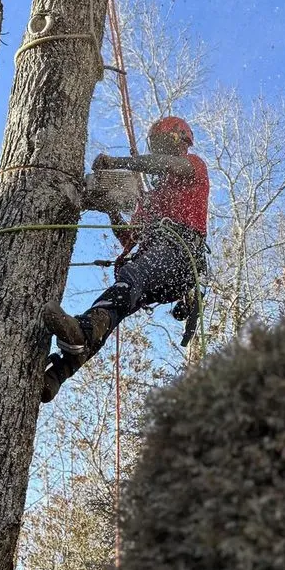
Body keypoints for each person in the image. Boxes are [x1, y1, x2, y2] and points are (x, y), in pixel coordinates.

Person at [41, 115, 209, 402]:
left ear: (178, 142)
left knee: (132, 278)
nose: (159, 153)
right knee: (118, 302)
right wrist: (111, 211)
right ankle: (59, 372)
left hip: (180, 255)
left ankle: (80, 336)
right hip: (155, 266)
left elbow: (167, 165)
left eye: (162, 146)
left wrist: (118, 162)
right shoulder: (152, 200)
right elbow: (130, 238)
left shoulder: (193, 166)